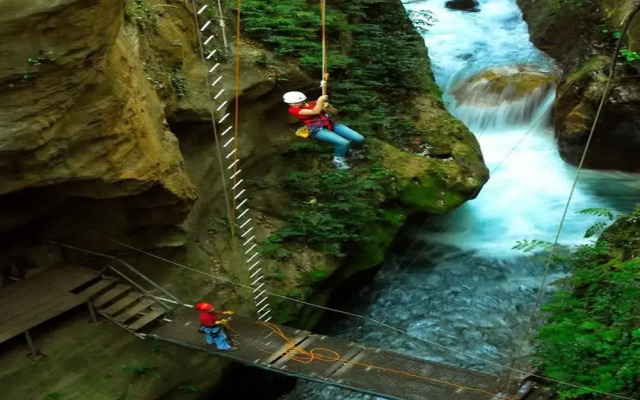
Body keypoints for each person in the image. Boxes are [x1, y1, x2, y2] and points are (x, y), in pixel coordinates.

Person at [284, 91, 365, 170]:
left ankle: (355, 151)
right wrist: (320, 100)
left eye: (296, 102)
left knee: (359, 138)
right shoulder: (293, 109)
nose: (293, 105)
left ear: (303, 100)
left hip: (331, 124)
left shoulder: (314, 103)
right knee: (343, 142)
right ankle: (338, 160)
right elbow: (315, 111)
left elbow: (334, 112)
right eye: (290, 103)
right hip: (317, 128)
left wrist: (329, 107)